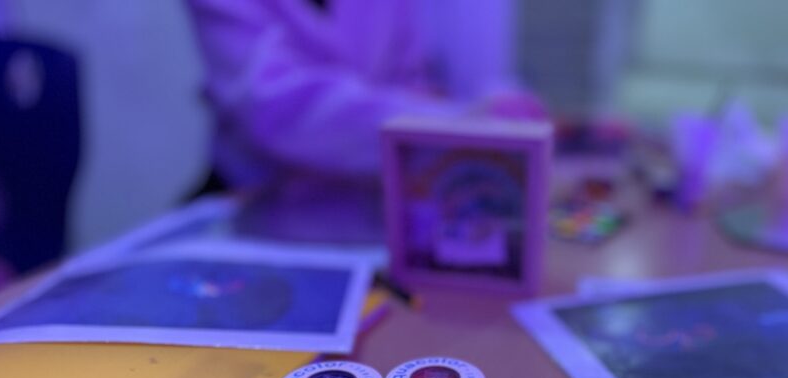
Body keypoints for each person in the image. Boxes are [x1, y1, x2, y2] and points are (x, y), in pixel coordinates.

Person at [184, 0, 546, 241]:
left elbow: (410, 76)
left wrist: (470, 114)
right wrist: (449, 121)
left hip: (369, 210)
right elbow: (271, 107)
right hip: (259, 205)